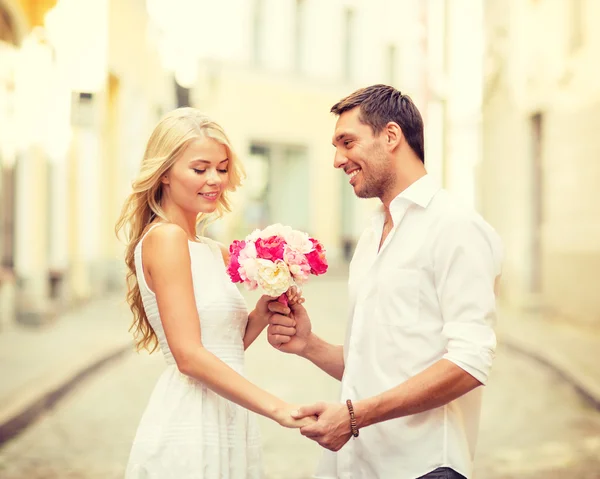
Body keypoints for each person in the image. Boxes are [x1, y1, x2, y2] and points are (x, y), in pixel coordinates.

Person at [267, 85, 503, 479]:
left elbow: (469, 362)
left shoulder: (456, 227)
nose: (337, 159)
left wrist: (355, 417)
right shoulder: (373, 230)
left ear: (391, 136)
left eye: (347, 142)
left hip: (423, 466)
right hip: (356, 466)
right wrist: (309, 345)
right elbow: (372, 364)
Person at [115, 108, 309, 478]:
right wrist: (277, 408)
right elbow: (188, 356)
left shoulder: (211, 250)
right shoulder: (165, 238)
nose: (215, 179)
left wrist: (263, 312)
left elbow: (225, 345)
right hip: (191, 420)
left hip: (228, 414)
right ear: (166, 173)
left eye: (221, 168)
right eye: (199, 168)